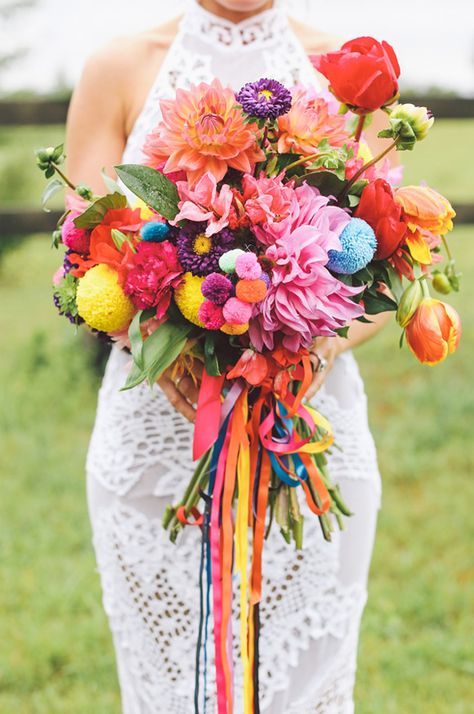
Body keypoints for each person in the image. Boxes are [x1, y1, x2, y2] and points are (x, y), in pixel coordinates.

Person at [66, 1, 394, 711]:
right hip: (159, 435)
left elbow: (390, 264)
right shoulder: (117, 67)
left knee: (306, 685)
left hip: (306, 432)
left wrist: (313, 345)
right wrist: (160, 341)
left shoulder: (345, 67)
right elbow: (82, 254)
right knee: (165, 685)